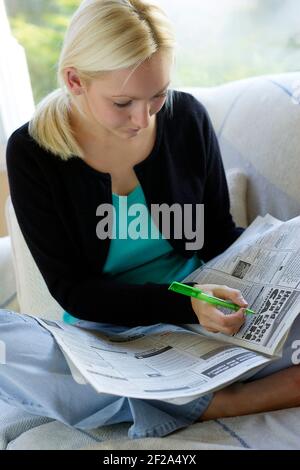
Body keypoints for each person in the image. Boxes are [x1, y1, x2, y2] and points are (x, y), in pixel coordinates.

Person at [1, 0, 300, 439]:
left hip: (202, 310)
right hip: (107, 333)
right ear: (74, 81)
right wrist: (185, 303)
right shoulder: (32, 153)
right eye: (122, 102)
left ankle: (179, 398)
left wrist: (259, 275)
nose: (143, 119)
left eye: (157, 96)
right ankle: (231, 398)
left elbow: (218, 235)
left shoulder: (187, 119)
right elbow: (73, 291)